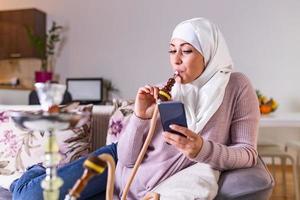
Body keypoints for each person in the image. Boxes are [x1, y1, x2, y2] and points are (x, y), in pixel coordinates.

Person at [10, 17, 260, 200]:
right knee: (28, 196)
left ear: (210, 53)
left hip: (131, 190)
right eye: (172, 51)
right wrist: (140, 116)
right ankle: (36, 171)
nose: (176, 59)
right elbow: (127, 157)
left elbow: (247, 153)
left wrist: (201, 149)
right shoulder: (168, 89)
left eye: (186, 51)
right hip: (116, 165)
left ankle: (42, 173)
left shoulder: (236, 86)